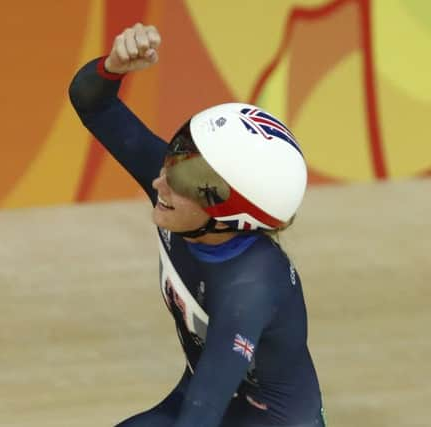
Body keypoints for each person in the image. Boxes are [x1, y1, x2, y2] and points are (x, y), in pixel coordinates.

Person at [68, 23, 326, 427]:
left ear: (234, 214)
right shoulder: (181, 198)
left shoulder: (251, 285)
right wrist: (113, 66)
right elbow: (92, 104)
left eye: (184, 178)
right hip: (204, 400)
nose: (160, 182)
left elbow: (201, 414)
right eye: (176, 159)